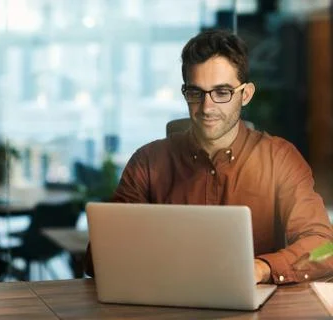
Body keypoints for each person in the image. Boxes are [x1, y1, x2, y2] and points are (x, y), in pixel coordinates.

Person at [84, 29, 333, 284]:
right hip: (166, 302)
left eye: (222, 92)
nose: (207, 107)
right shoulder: (148, 163)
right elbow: (99, 257)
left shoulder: (279, 159)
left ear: (245, 94)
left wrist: (261, 268)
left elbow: (324, 248)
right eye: (196, 93)